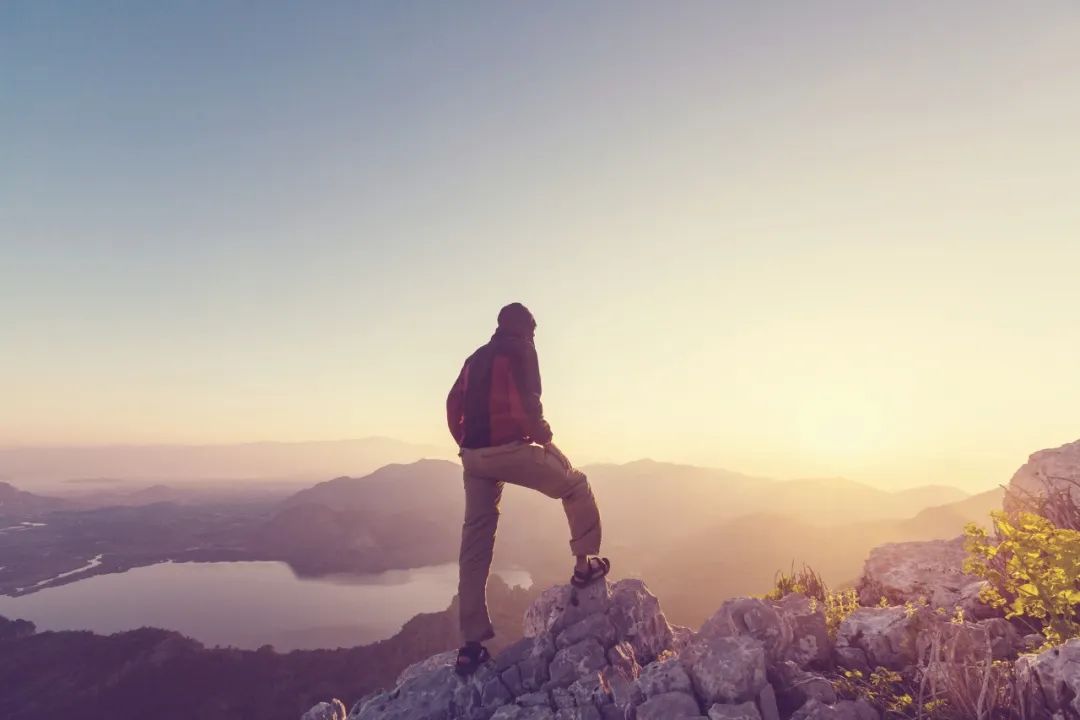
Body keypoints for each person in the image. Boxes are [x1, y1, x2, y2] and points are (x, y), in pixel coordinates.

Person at [446, 302, 608, 676]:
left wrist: (468, 444)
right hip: (509, 451)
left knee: (476, 540)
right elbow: (527, 404)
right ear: (524, 329)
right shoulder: (521, 349)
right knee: (576, 486)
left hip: (473, 457)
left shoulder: (474, 358)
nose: (534, 337)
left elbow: (453, 403)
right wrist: (544, 438)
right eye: (533, 331)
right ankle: (585, 565)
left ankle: (471, 646)